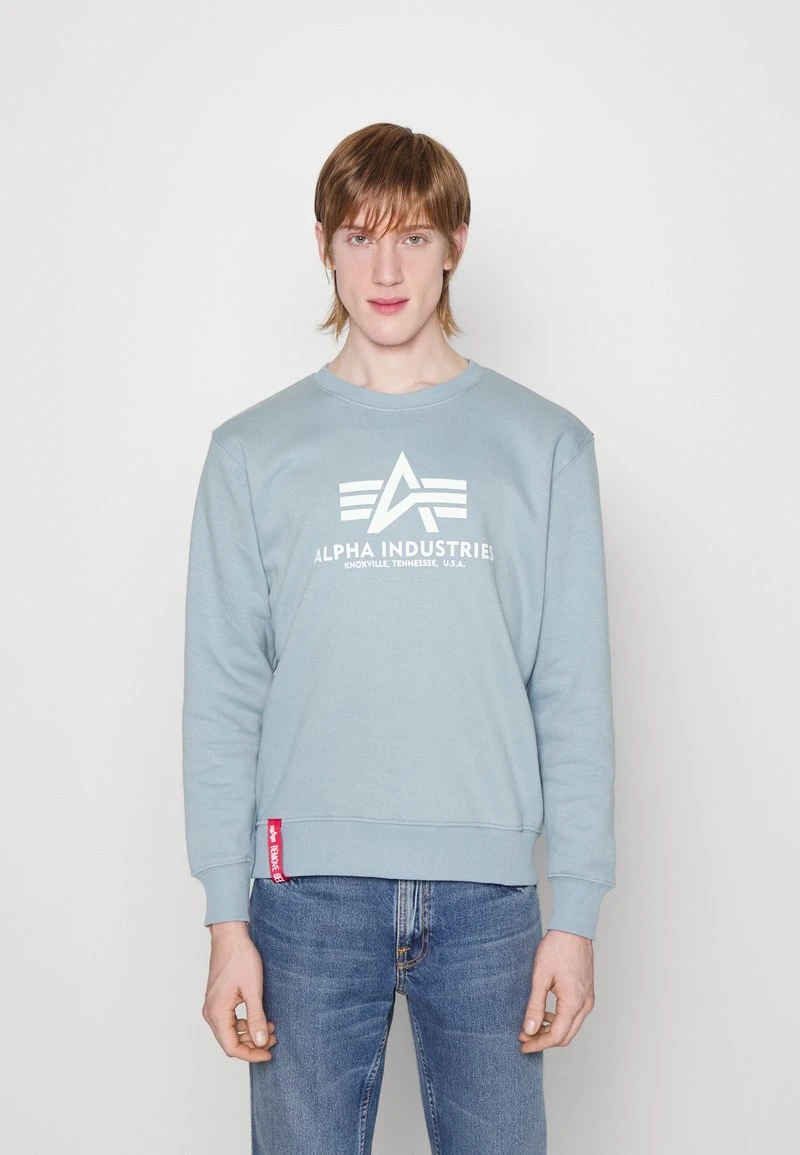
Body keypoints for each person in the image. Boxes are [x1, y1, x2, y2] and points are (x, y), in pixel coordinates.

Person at [181, 121, 616, 1155]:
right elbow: (224, 693)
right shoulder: (250, 452)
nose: (386, 270)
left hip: (490, 904)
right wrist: (225, 919)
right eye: (359, 237)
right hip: (303, 903)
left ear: (454, 243)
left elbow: (572, 689)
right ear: (323, 245)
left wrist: (575, 914)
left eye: (413, 237)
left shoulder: (545, 446)